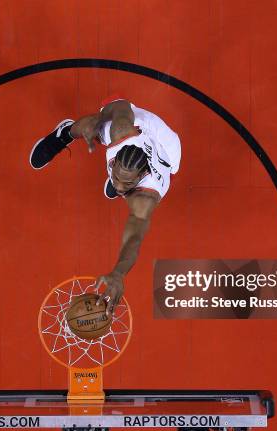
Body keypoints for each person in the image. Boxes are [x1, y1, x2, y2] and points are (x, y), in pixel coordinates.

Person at [30, 98, 181, 314]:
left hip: (166, 147)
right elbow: (121, 106)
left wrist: (119, 273)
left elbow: (134, 237)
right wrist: (97, 119)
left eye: (127, 183)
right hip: (138, 125)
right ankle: (63, 133)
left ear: (142, 175)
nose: (119, 186)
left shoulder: (146, 195)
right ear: (116, 156)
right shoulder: (119, 133)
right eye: (116, 177)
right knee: (90, 126)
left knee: (166, 173)